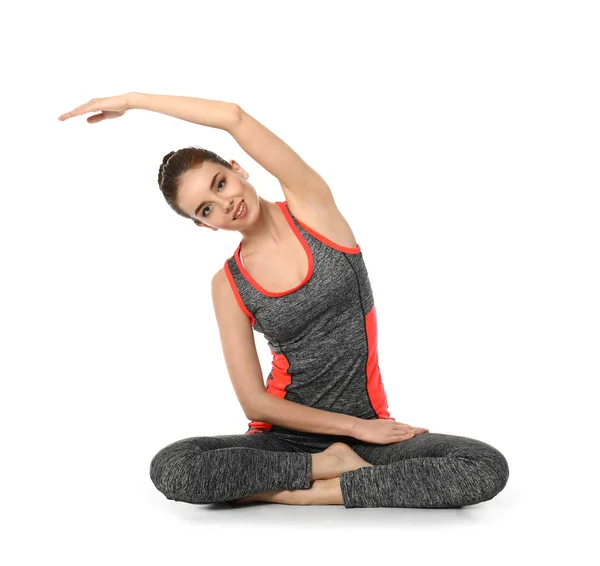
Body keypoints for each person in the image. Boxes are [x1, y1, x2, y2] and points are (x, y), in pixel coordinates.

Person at [58, 92, 510, 508]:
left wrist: (134, 101)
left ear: (238, 168)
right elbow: (255, 403)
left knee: (483, 467)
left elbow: (233, 116)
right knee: (173, 466)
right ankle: (320, 473)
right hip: (283, 442)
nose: (224, 204)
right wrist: (348, 432)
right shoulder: (228, 284)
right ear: (204, 226)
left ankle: (299, 495)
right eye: (206, 210)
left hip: (372, 432)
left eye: (219, 184)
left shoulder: (313, 210)